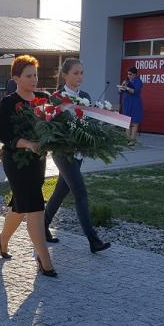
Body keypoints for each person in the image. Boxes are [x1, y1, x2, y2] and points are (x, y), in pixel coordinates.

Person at [0, 54, 57, 277]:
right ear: (16, 78)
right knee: (35, 207)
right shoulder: (9, 102)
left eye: (35, 75)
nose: (34, 79)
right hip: (15, 161)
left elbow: (53, 126)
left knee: (21, 206)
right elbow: (4, 135)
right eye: (29, 76)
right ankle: (45, 261)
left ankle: (2, 239)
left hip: (37, 160)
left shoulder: (44, 98)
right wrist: (28, 144)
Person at [44, 58, 111, 253]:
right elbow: (51, 128)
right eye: (75, 73)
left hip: (79, 153)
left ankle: (42, 225)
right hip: (63, 154)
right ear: (65, 75)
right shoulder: (56, 98)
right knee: (80, 192)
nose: (80, 77)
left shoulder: (86, 96)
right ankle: (93, 240)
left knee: (61, 191)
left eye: (82, 73)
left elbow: (88, 123)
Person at [119, 66, 144, 146]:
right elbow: (120, 91)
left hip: (135, 104)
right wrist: (121, 87)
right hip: (127, 104)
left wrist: (126, 88)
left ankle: (132, 140)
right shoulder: (126, 81)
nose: (128, 76)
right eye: (128, 74)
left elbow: (135, 91)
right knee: (127, 122)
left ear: (135, 74)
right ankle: (127, 139)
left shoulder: (138, 81)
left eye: (130, 74)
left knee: (134, 122)